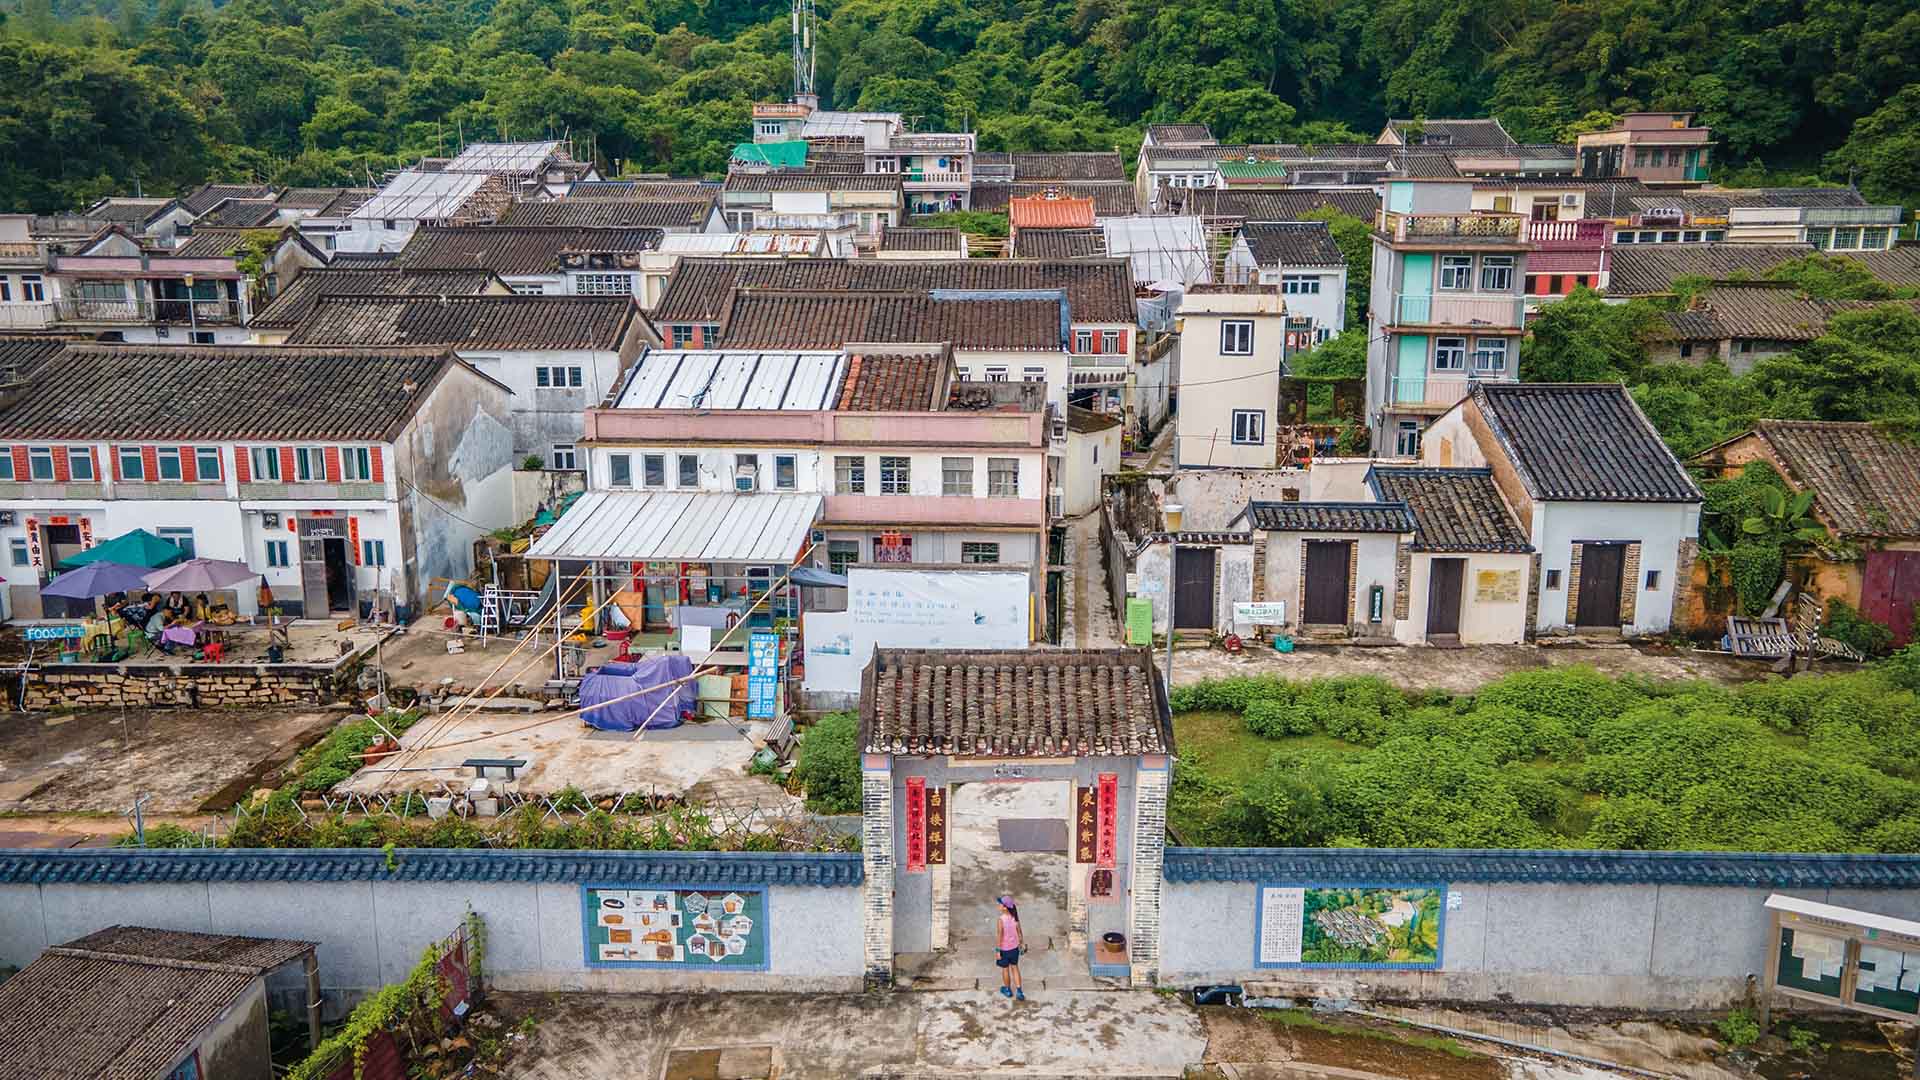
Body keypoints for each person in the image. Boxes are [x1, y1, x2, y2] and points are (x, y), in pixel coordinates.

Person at [995, 895, 1024, 1000]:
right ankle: (1019, 991)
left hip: (1004, 949)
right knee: (1015, 968)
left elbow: (999, 935)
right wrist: (1021, 944)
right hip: (1015, 948)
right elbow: (1020, 933)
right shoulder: (1014, 917)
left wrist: (998, 950)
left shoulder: (1001, 920)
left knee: (1005, 969)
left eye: (1000, 904)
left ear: (1005, 907)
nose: (998, 905)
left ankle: (1007, 990)